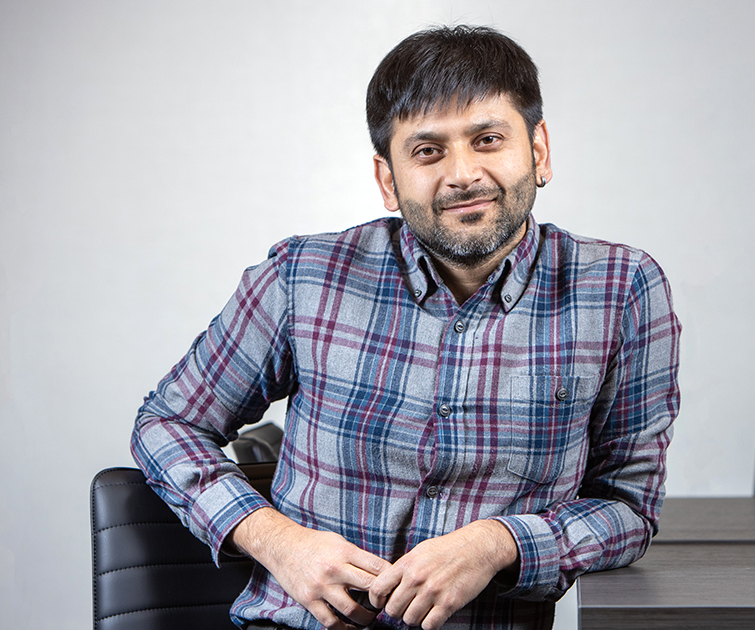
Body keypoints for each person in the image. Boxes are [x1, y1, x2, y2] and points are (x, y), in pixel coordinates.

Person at [132, 25, 680, 630]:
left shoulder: (620, 289)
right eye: (428, 151)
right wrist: (278, 542)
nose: (463, 173)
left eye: (489, 139)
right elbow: (168, 422)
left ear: (539, 150)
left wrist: (500, 543)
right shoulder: (303, 277)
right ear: (388, 180)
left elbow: (627, 508)